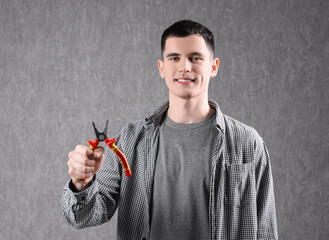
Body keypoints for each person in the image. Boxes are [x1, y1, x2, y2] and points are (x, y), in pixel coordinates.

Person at [62, 19, 278, 240]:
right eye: (174, 58)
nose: (185, 67)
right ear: (162, 68)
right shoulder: (128, 141)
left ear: (213, 67)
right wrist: (82, 182)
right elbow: (84, 216)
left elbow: (266, 231)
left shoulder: (247, 143)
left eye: (196, 58)